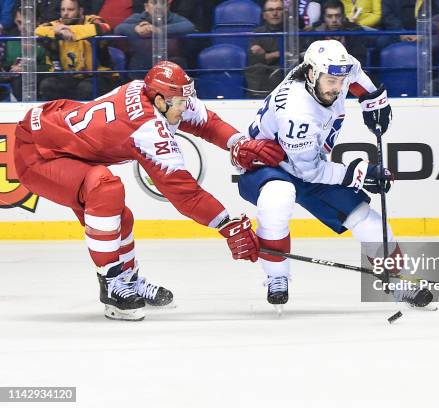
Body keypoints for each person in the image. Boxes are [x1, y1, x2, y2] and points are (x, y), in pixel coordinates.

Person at [13, 61, 285, 321]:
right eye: (179, 103)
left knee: (120, 216)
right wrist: (228, 225)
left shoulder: (153, 92)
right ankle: (111, 284)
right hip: (38, 153)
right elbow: (184, 193)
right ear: (159, 101)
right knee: (105, 188)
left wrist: (238, 142)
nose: (184, 107)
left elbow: (206, 122)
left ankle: (128, 280)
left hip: (57, 131)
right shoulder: (147, 128)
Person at [237, 39, 433, 310]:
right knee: (278, 200)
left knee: (373, 226)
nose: (338, 87)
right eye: (331, 81)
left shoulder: (335, 71)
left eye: (339, 81)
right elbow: (311, 172)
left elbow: (355, 74)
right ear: (311, 74)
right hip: (265, 165)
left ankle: (397, 281)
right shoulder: (298, 113)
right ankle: (276, 277)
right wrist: (360, 173)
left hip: (307, 162)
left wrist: (372, 100)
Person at [34, 0, 118, 100]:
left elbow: (104, 27)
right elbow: (38, 30)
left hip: (99, 75)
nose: (65, 13)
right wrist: (58, 31)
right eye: (63, 9)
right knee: (47, 85)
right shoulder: (58, 25)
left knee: (86, 88)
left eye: (70, 9)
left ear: (80, 11)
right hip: (69, 76)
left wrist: (72, 32)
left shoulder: (92, 20)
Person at [114, 0, 195, 80]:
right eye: (154, 3)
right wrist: (135, 28)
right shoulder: (137, 17)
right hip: (140, 73)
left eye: (162, 3)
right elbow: (119, 28)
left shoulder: (175, 17)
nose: (158, 7)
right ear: (146, 6)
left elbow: (189, 26)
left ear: (168, 6)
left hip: (172, 73)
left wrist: (158, 30)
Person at [0, 7, 52, 100]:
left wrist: (27, 68)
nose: (22, 27)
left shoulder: (47, 40)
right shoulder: (11, 40)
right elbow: (6, 66)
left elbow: (51, 68)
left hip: (41, 80)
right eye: (19, 22)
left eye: (27, 22)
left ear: (38, 21)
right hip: (16, 81)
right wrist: (12, 68)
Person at [305, 0, 368, 67]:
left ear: (343, 16)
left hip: (349, 72)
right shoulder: (315, 33)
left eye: (337, 16)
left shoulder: (355, 31)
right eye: (329, 16)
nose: (334, 20)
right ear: (324, 18)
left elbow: (359, 58)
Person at [245, 0, 284, 98]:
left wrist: (266, 55)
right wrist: (278, 54)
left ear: (285, 13)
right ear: (264, 15)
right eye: (270, 10)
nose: (275, 13)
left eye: (279, 9)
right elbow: (253, 59)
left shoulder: (294, 32)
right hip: (262, 85)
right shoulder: (257, 34)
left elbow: (294, 57)